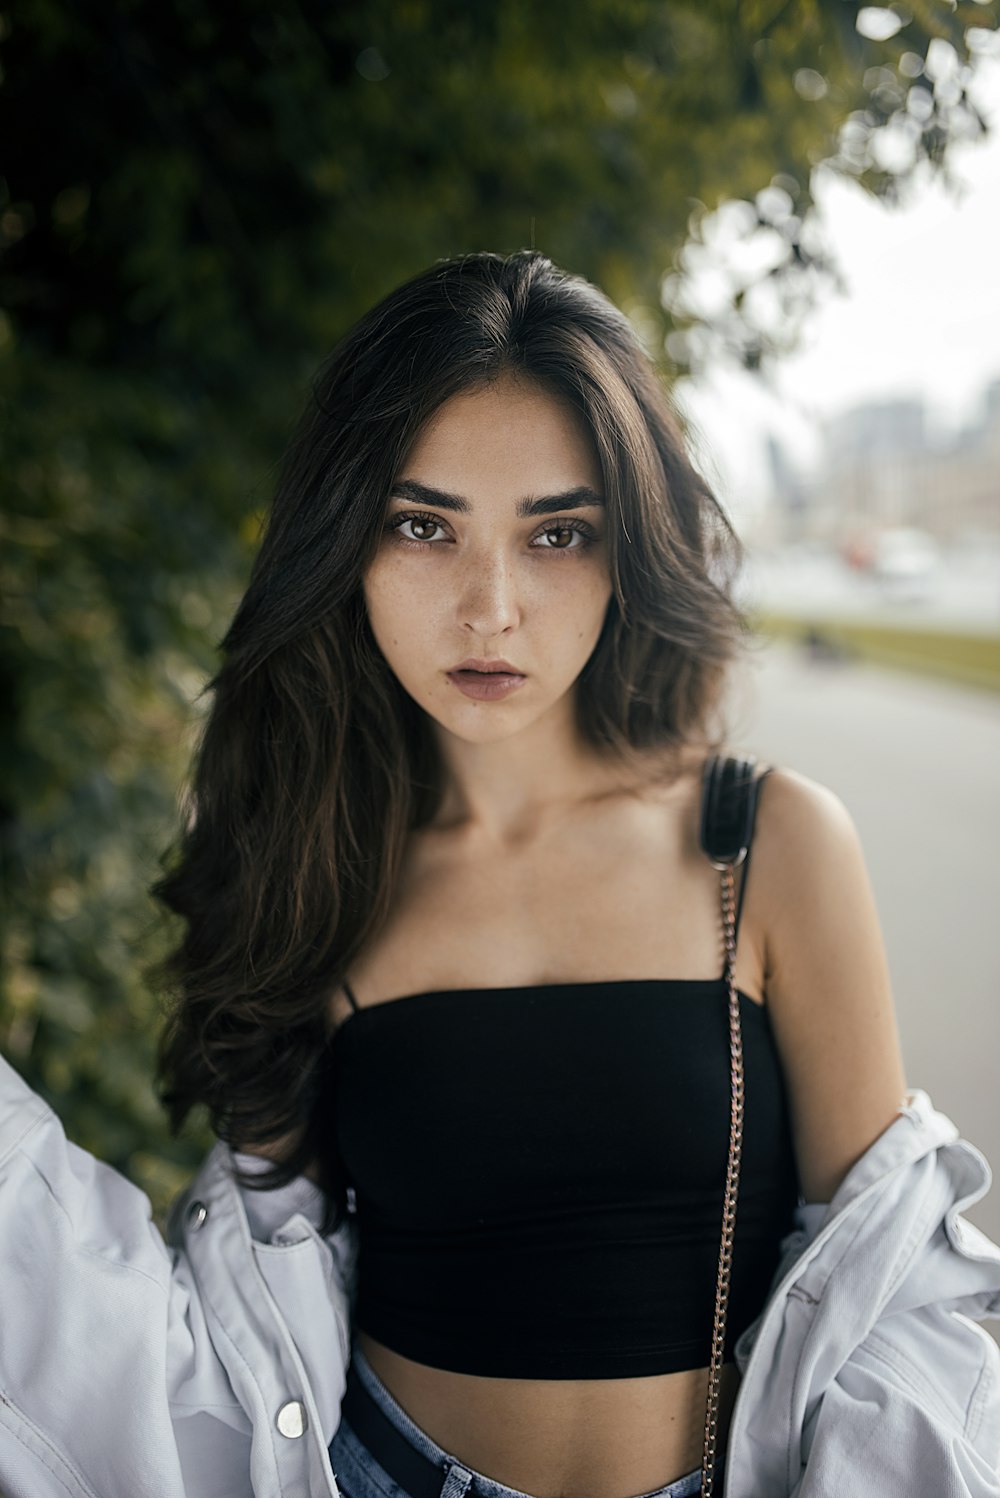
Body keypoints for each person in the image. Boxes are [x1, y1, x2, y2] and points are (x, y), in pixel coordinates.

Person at [2, 250, 997, 1498]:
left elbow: (886, 1286)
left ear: (628, 548)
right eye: (423, 526)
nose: (490, 609)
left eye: (556, 534)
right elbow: (253, 1304)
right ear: (346, 544)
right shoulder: (317, 863)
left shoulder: (768, 844)